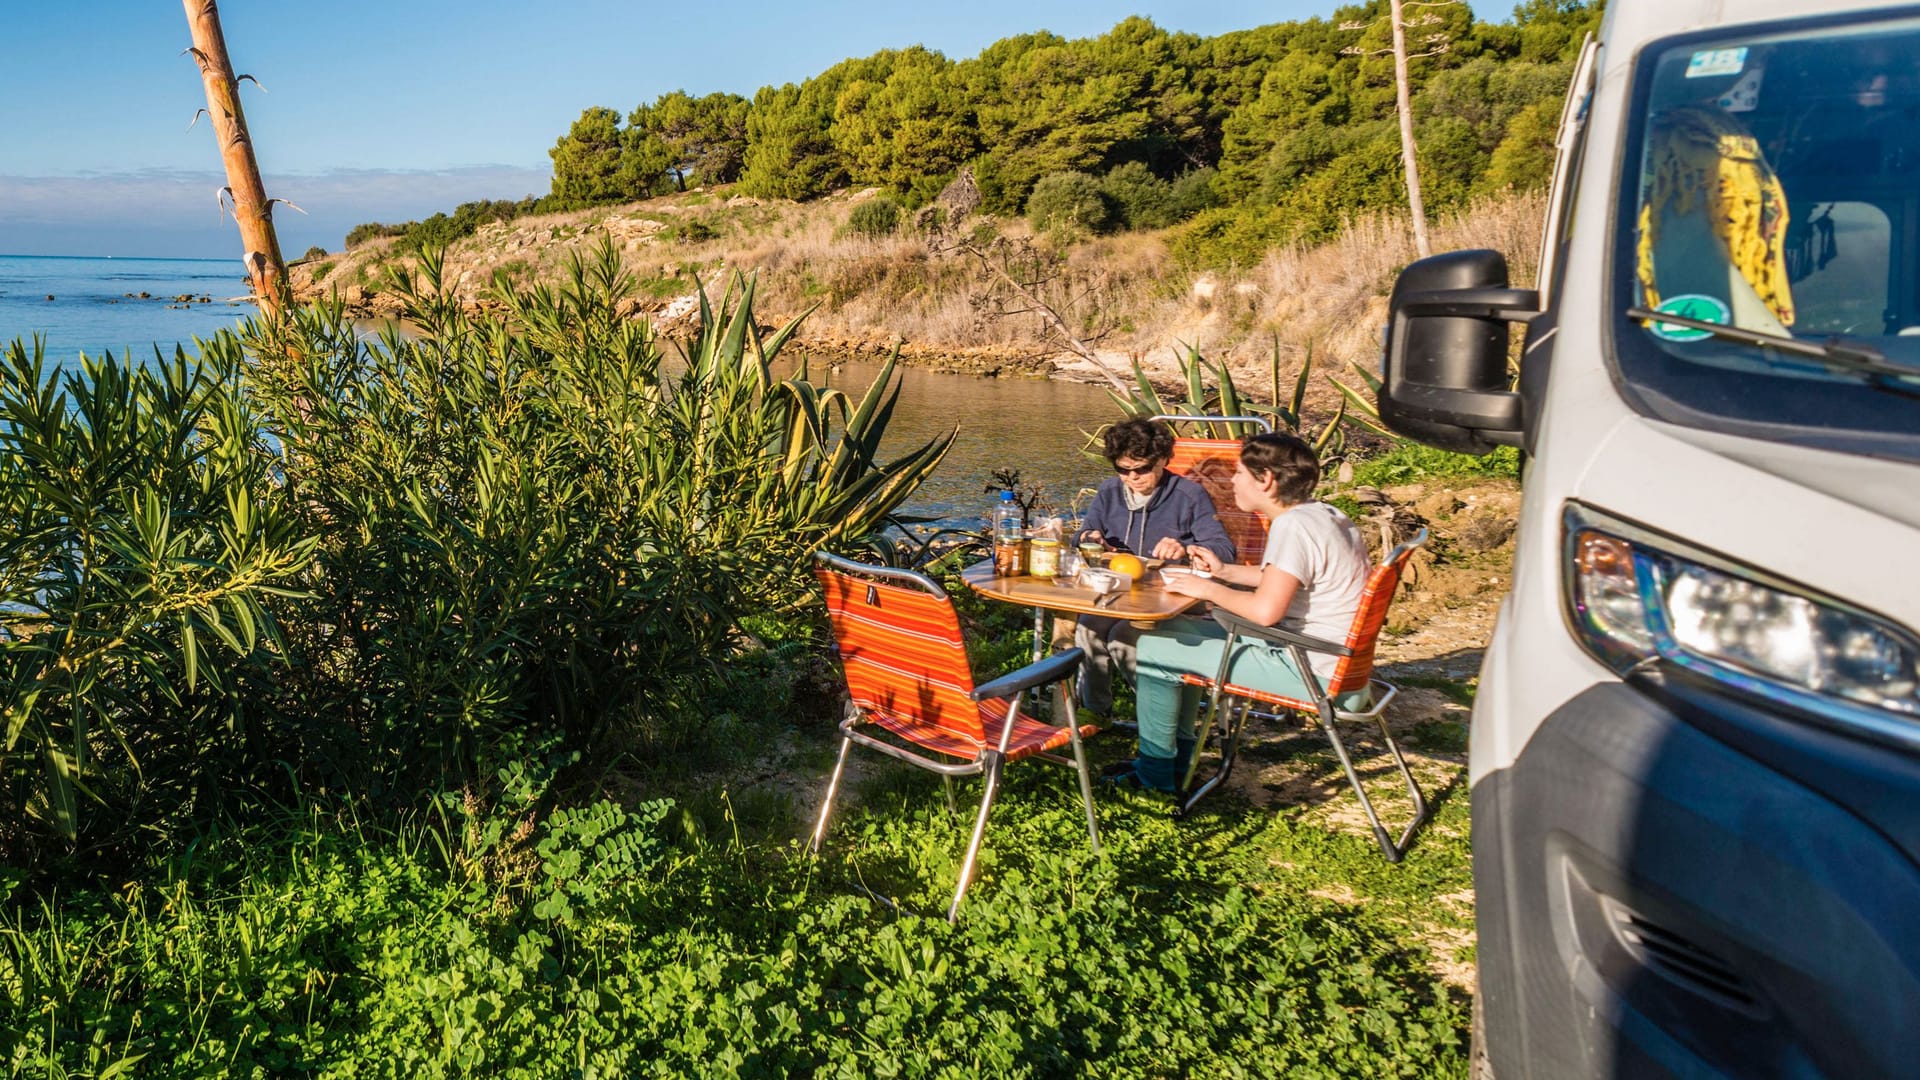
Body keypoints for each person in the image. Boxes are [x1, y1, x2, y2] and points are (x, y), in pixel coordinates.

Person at [1109, 432, 1373, 793]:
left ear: (1265, 480)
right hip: (1338, 663)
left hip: (1313, 671)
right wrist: (1223, 572)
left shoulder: (1292, 527)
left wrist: (1207, 589)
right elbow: (1278, 578)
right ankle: (1178, 762)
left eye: (1240, 474)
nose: (1232, 481)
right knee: (1172, 636)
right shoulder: (1324, 515)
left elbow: (1265, 611)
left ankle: (1155, 778)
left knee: (1154, 652)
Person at [1073, 417, 1235, 715]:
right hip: (1119, 592)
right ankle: (1096, 713)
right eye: (1123, 470)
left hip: (1171, 596)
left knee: (1124, 636)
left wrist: (1187, 548)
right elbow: (1081, 535)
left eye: (1142, 469)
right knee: (1089, 627)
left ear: (1162, 460)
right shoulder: (1109, 492)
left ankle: (1162, 715)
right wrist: (1089, 536)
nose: (1133, 478)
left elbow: (1223, 549)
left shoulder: (1188, 496)